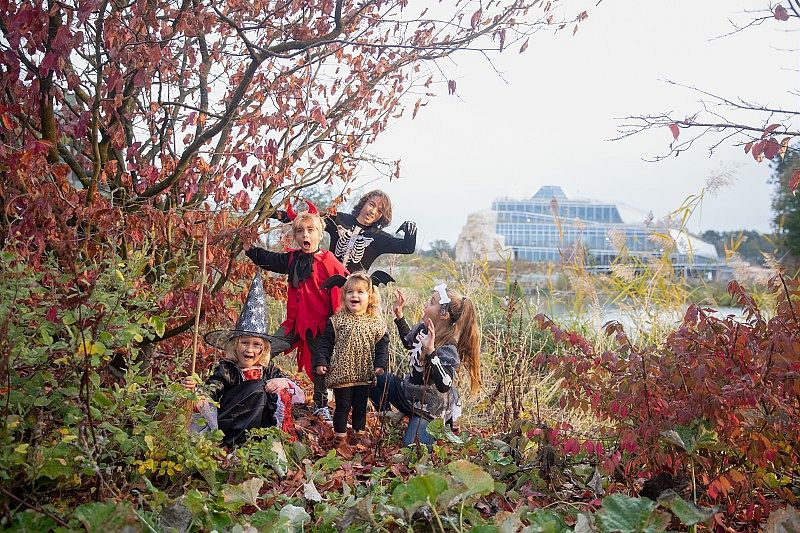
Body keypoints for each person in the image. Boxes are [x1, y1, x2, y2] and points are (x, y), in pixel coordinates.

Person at [245, 201, 347, 423]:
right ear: (295, 236)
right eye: (300, 231)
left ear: (320, 234)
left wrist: (338, 325)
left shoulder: (328, 261)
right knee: (267, 347)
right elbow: (270, 260)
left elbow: (343, 288)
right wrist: (249, 250)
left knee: (320, 367)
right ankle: (254, 387)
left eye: (310, 230)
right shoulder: (293, 258)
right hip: (294, 323)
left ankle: (321, 406)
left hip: (319, 325)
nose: (305, 235)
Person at [183, 272, 305, 447]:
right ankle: (236, 444)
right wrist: (196, 393)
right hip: (231, 424)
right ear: (235, 346)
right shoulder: (227, 369)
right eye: (245, 343)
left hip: (261, 425)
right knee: (257, 387)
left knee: (274, 390)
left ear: (263, 349)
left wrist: (281, 382)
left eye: (256, 345)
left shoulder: (268, 369)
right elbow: (213, 389)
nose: (250, 349)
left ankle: (268, 440)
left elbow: (296, 393)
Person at [371, 283, 481, 448]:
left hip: (430, 407)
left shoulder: (447, 346)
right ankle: (390, 415)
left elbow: (445, 384)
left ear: (443, 314)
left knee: (413, 447)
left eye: (431, 302)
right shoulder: (423, 329)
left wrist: (431, 352)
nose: (425, 304)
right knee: (374, 378)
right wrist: (399, 316)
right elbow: (409, 341)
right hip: (408, 393)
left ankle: (442, 423)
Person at [312, 272, 389, 444]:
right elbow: (325, 343)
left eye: (360, 292)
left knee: (360, 407)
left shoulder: (375, 323)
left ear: (370, 297)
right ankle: (340, 437)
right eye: (350, 292)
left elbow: (382, 347)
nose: (354, 295)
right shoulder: (337, 321)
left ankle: (359, 435)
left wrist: (380, 364)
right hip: (342, 374)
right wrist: (321, 360)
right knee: (343, 406)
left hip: (364, 374)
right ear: (344, 296)